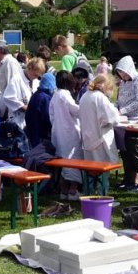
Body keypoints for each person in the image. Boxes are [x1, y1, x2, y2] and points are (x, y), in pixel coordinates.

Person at [114, 56, 138, 192]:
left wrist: (122, 110)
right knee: (125, 151)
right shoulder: (123, 83)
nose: (122, 75)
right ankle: (131, 180)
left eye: (123, 72)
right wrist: (114, 107)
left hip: (137, 120)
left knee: (136, 151)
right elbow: (120, 100)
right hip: (123, 121)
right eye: (120, 73)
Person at [49, 70, 83, 201]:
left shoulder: (55, 95)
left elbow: (51, 114)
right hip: (70, 133)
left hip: (58, 132)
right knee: (73, 161)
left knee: (63, 162)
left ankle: (63, 191)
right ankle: (73, 191)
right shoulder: (65, 95)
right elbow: (75, 110)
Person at [79, 74, 121, 165]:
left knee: (90, 169)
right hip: (99, 140)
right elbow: (112, 118)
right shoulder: (100, 97)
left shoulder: (85, 96)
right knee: (102, 171)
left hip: (88, 139)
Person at [23, 70, 54, 150]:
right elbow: (48, 118)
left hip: (33, 133)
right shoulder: (45, 98)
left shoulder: (36, 94)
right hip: (42, 137)